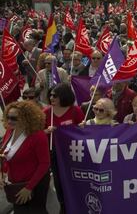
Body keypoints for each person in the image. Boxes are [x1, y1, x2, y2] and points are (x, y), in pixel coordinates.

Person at [0, 101, 50, 214]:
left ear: (26, 117)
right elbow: (5, 155)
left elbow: (45, 163)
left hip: (35, 184)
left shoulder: (38, 135)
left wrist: (29, 187)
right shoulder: (9, 131)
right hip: (16, 183)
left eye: (14, 118)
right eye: (8, 117)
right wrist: (1, 174)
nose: (9, 121)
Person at [43, 83, 85, 213]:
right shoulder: (46, 112)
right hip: (55, 152)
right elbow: (37, 133)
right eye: (50, 95)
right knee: (58, 178)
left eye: (55, 95)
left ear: (64, 96)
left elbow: (82, 131)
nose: (51, 98)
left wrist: (82, 127)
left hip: (73, 151)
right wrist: (46, 131)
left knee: (74, 176)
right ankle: (63, 204)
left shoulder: (75, 110)